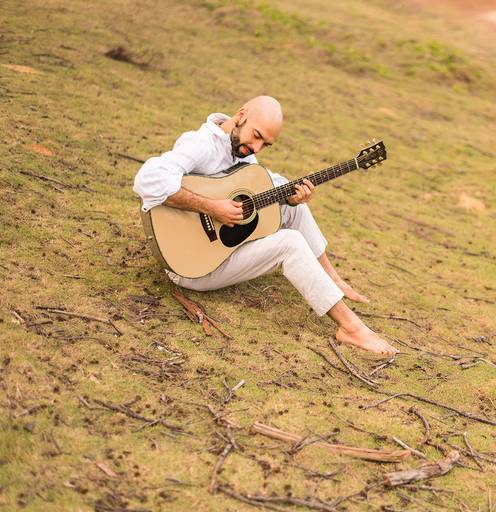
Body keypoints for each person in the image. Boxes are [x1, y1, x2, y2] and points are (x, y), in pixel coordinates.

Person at [133, 96, 398, 356]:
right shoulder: (201, 144)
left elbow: (264, 182)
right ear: (240, 115)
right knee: (290, 243)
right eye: (256, 136)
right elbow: (147, 180)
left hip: (212, 255)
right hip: (191, 267)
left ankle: (332, 279)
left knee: (294, 207)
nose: (257, 148)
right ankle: (351, 328)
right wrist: (212, 207)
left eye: (265, 144)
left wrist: (292, 196)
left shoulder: (242, 151)